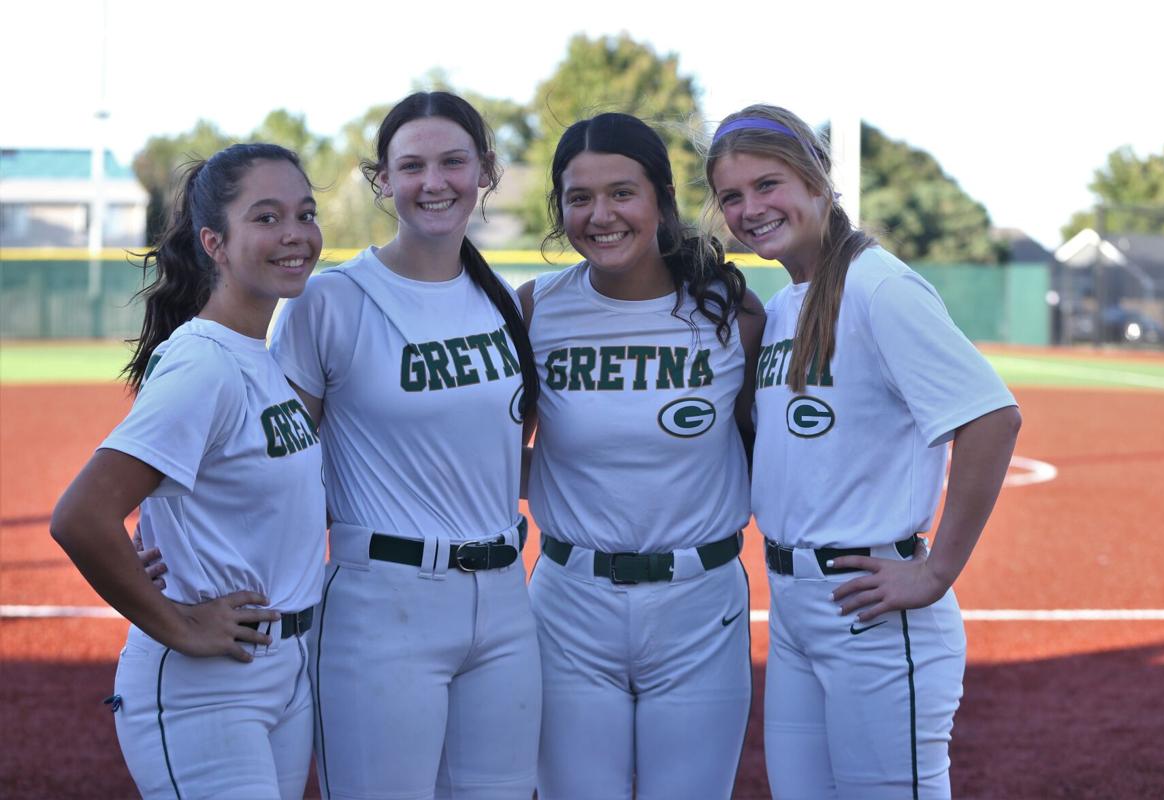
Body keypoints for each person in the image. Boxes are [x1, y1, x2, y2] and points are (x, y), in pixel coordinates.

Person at [705, 104, 1022, 799]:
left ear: (818, 182)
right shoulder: (787, 302)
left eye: (768, 184)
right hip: (793, 605)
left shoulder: (880, 286)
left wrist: (935, 571)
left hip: (872, 607)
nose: (749, 208)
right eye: (732, 195)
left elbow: (992, 418)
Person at [268, 91, 542, 800]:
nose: (434, 182)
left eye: (454, 162)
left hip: (506, 600)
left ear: (484, 170)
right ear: (382, 180)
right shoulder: (331, 301)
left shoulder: (502, 300)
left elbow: (497, 456)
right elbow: (276, 463)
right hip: (383, 603)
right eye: (412, 165)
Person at [50, 143, 326, 799]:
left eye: (305, 213)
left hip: (282, 669)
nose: (295, 234)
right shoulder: (203, 362)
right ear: (215, 243)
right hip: (208, 688)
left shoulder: (258, 357)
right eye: (266, 217)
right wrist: (179, 625)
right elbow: (81, 515)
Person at [519, 112, 764, 800]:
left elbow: (763, 449)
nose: (601, 215)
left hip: (700, 603)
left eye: (622, 192)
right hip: (570, 601)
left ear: (660, 196)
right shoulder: (536, 310)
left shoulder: (732, 314)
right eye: (579, 198)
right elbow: (498, 456)